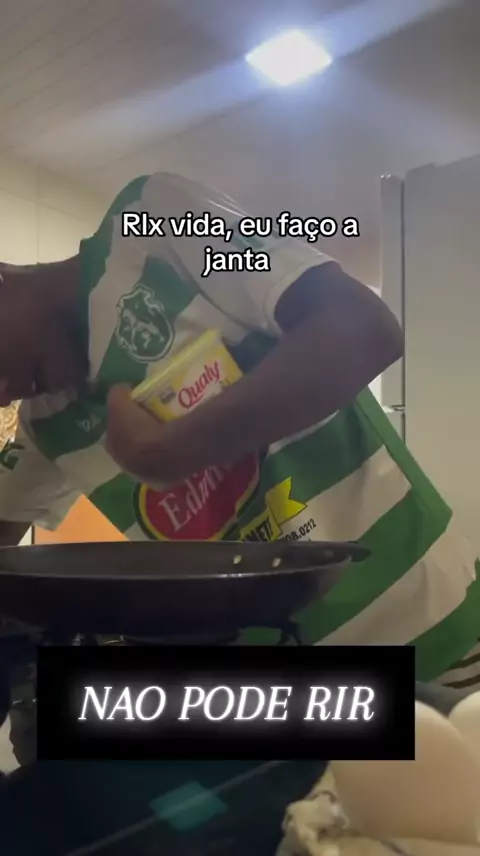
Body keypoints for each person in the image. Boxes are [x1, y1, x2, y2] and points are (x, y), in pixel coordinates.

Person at [0, 172, 478, 691]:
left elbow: (363, 328)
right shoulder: (45, 425)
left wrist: (171, 452)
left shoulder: (155, 220)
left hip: (436, 639)